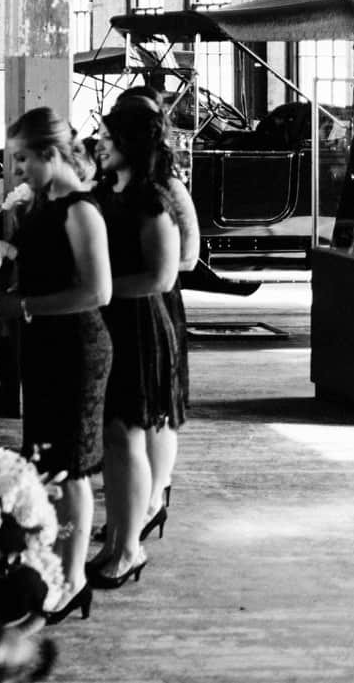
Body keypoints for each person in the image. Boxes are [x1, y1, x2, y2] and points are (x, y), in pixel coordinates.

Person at [0, 107, 112, 623]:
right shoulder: (46, 201)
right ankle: (55, 568)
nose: (16, 171)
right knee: (48, 463)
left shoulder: (81, 210)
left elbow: (97, 290)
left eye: (22, 159)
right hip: (44, 344)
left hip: (76, 347)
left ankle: (74, 577)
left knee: (73, 468)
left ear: (51, 154)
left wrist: (24, 306)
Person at [91, 104, 182, 587]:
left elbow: (161, 276)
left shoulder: (151, 202)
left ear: (131, 142)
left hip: (139, 325)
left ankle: (129, 548)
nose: (99, 143)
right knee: (113, 439)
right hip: (108, 321)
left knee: (128, 437)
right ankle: (115, 539)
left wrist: (98, 286)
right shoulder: (107, 192)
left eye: (107, 135)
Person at [113, 89, 196, 542]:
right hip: (127, 303)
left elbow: (188, 254)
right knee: (134, 411)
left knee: (158, 408)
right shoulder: (123, 184)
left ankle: (156, 495)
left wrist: (144, 268)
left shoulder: (167, 189)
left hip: (156, 302)